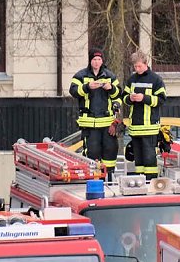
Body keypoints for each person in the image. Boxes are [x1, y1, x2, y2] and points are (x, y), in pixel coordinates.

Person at [70, 48, 122, 181]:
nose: (97, 62)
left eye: (99, 59)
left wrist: (111, 88)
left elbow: (118, 95)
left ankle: (109, 177)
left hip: (107, 123)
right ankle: (93, 180)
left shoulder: (109, 76)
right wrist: (87, 87)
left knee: (110, 150)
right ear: (90, 61)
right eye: (94, 59)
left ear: (102, 61)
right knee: (92, 152)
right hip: (90, 123)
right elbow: (73, 91)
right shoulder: (81, 76)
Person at [123, 51, 166, 178]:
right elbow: (124, 98)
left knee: (149, 159)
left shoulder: (156, 79)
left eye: (139, 66)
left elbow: (161, 100)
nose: (137, 69)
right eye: (135, 66)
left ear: (146, 64)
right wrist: (130, 98)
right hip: (135, 128)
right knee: (139, 160)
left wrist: (144, 98)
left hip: (150, 127)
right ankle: (140, 180)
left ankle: (150, 181)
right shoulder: (131, 79)